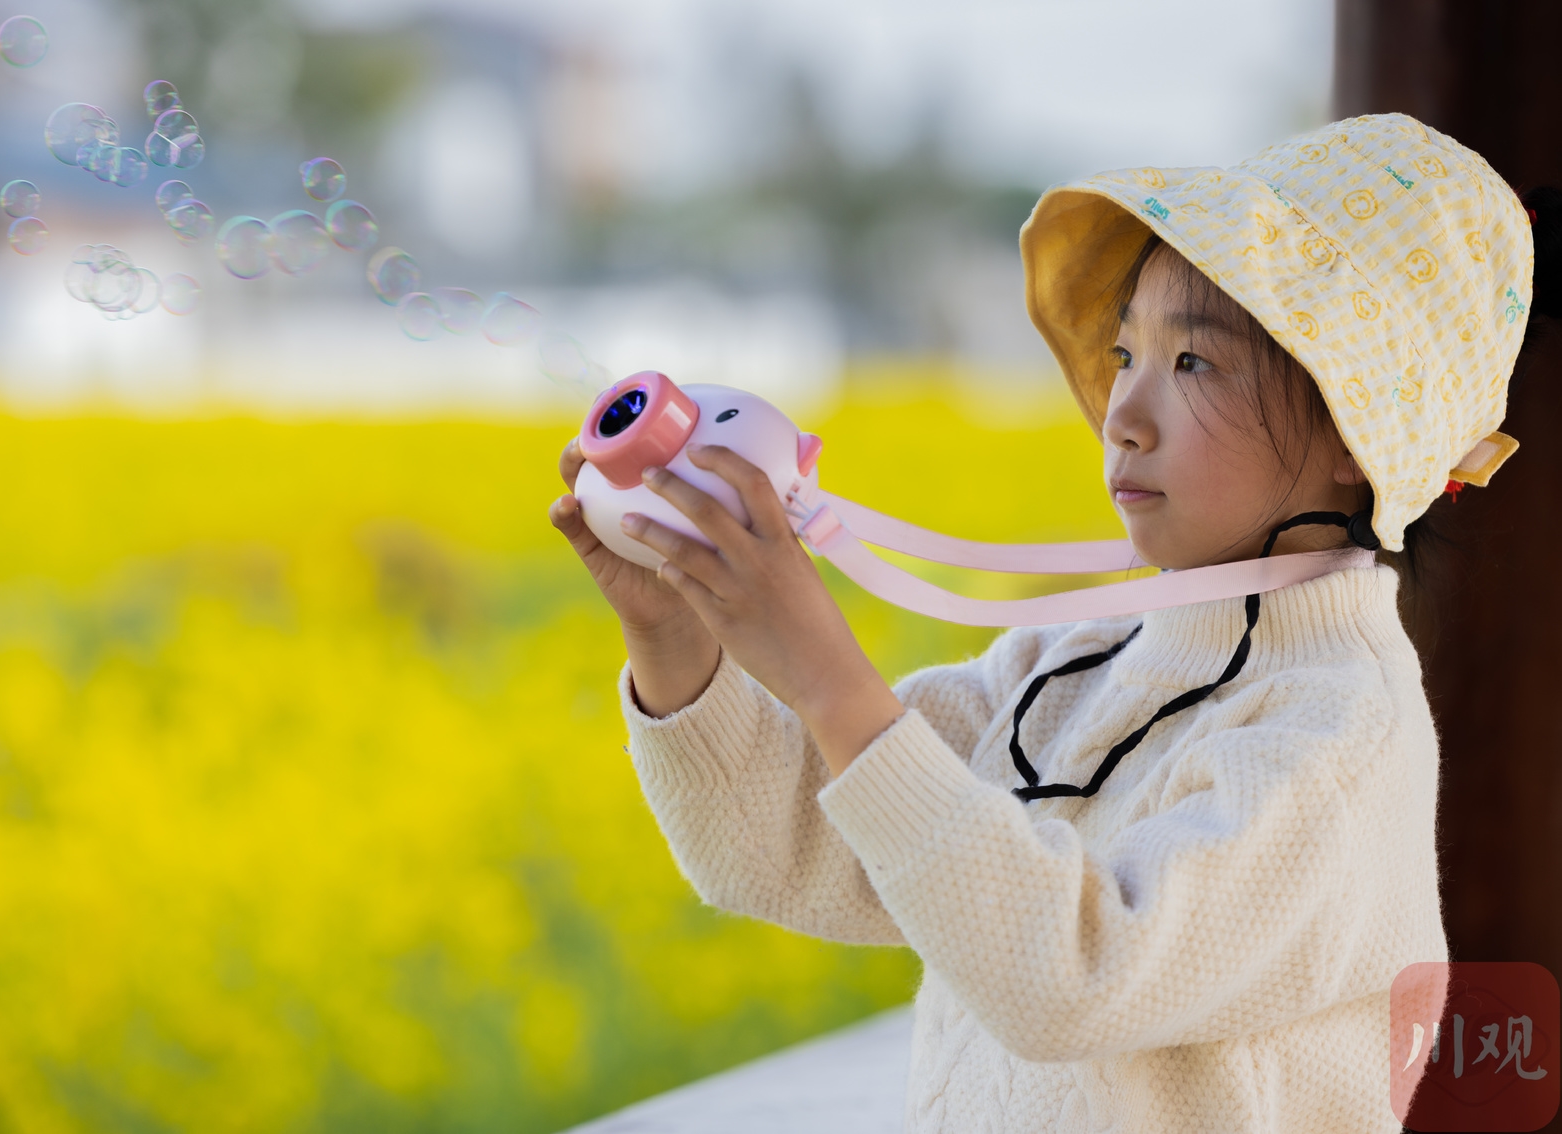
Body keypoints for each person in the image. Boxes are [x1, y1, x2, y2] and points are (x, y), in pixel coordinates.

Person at [547, 113, 1556, 1132]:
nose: (1122, 410)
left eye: (1193, 364)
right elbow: (777, 847)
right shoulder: (1073, 661)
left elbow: (1075, 974)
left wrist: (824, 676)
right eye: (1125, 354)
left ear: (1355, 433)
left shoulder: (1336, 734)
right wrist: (671, 636)